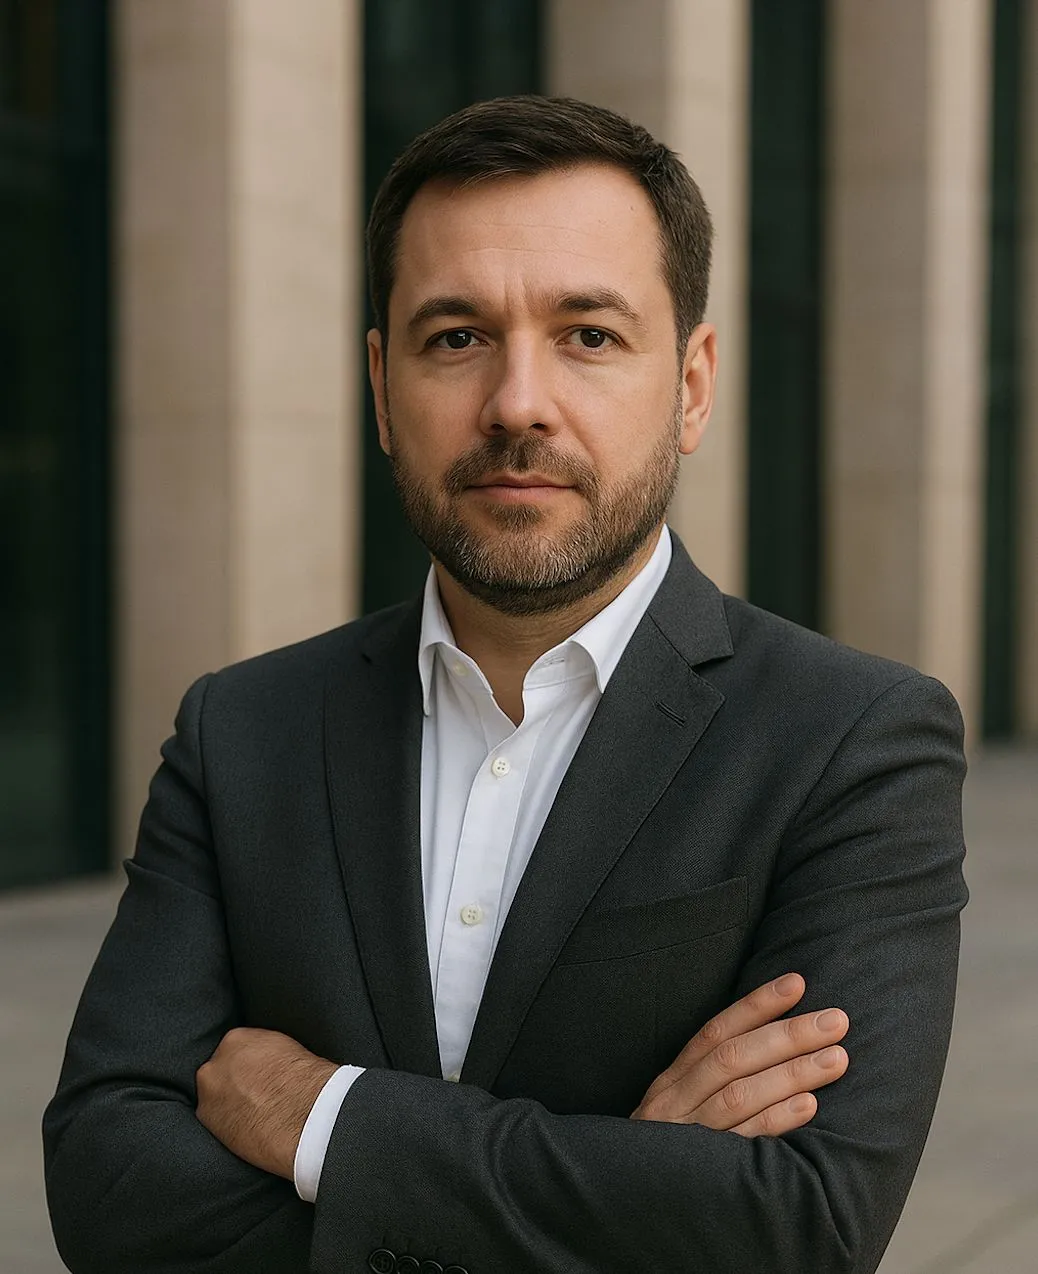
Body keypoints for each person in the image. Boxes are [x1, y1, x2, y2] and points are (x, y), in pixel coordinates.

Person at [44, 95, 967, 1274]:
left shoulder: (854, 741)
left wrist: (329, 1119)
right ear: (382, 385)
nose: (518, 401)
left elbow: (802, 1225)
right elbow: (107, 1185)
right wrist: (631, 1184)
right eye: (455, 337)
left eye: (588, 334)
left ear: (691, 384)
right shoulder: (241, 731)